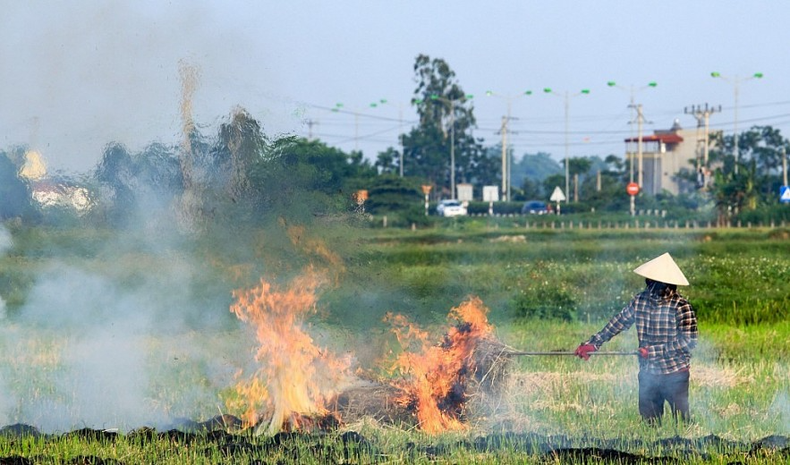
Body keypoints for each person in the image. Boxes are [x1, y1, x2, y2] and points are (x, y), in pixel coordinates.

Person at [574, 252, 698, 424]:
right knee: (650, 423)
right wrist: (594, 343)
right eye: (650, 280)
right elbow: (619, 321)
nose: (651, 284)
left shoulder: (682, 307)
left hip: (675, 373)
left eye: (655, 281)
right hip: (648, 373)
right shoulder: (639, 301)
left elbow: (689, 341)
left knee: (683, 421)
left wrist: (653, 351)